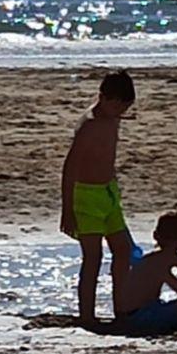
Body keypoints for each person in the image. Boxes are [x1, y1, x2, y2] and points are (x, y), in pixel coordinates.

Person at [60, 71, 137, 323]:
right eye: (117, 106)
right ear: (102, 97)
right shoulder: (89, 125)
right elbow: (70, 168)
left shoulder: (113, 119)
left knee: (123, 250)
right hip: (86, 197)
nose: (120, 112)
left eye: (125, 108)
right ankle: (87, 315)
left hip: (108, 193)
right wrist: (67, 209)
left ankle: (121, 308)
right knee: (93, 257)